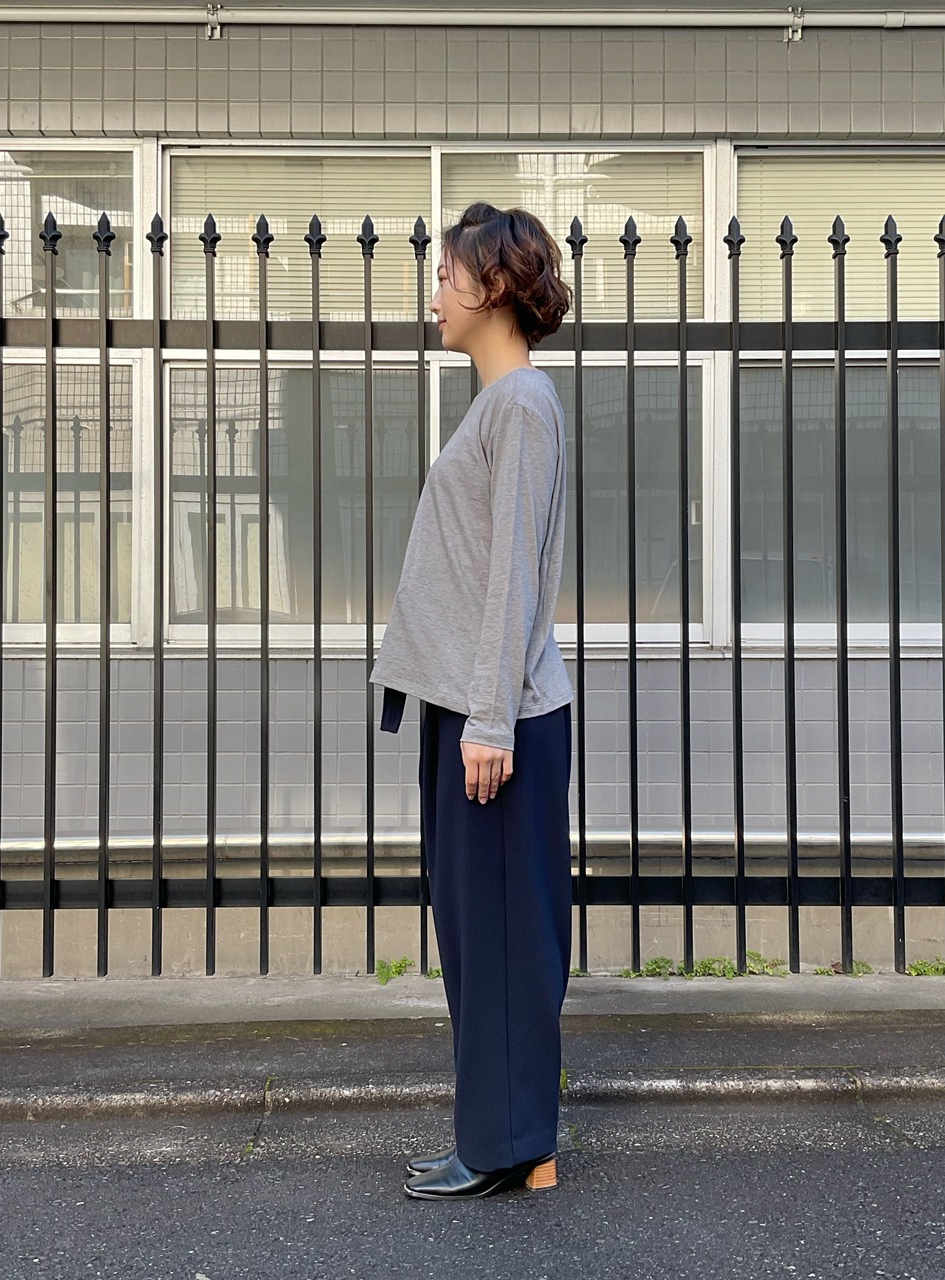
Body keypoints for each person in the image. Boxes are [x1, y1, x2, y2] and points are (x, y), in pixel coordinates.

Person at [369, 202, 575, 1200]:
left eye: (447, 276)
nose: (435, 296)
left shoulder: (520, 404)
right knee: (476, 930)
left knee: (500, 937)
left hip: (500, 720)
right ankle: (508, 1136)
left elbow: (511, 580)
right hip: (472, 708)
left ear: (494, 285)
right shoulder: (500, 404)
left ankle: (508, 1143)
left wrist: (489, 720)